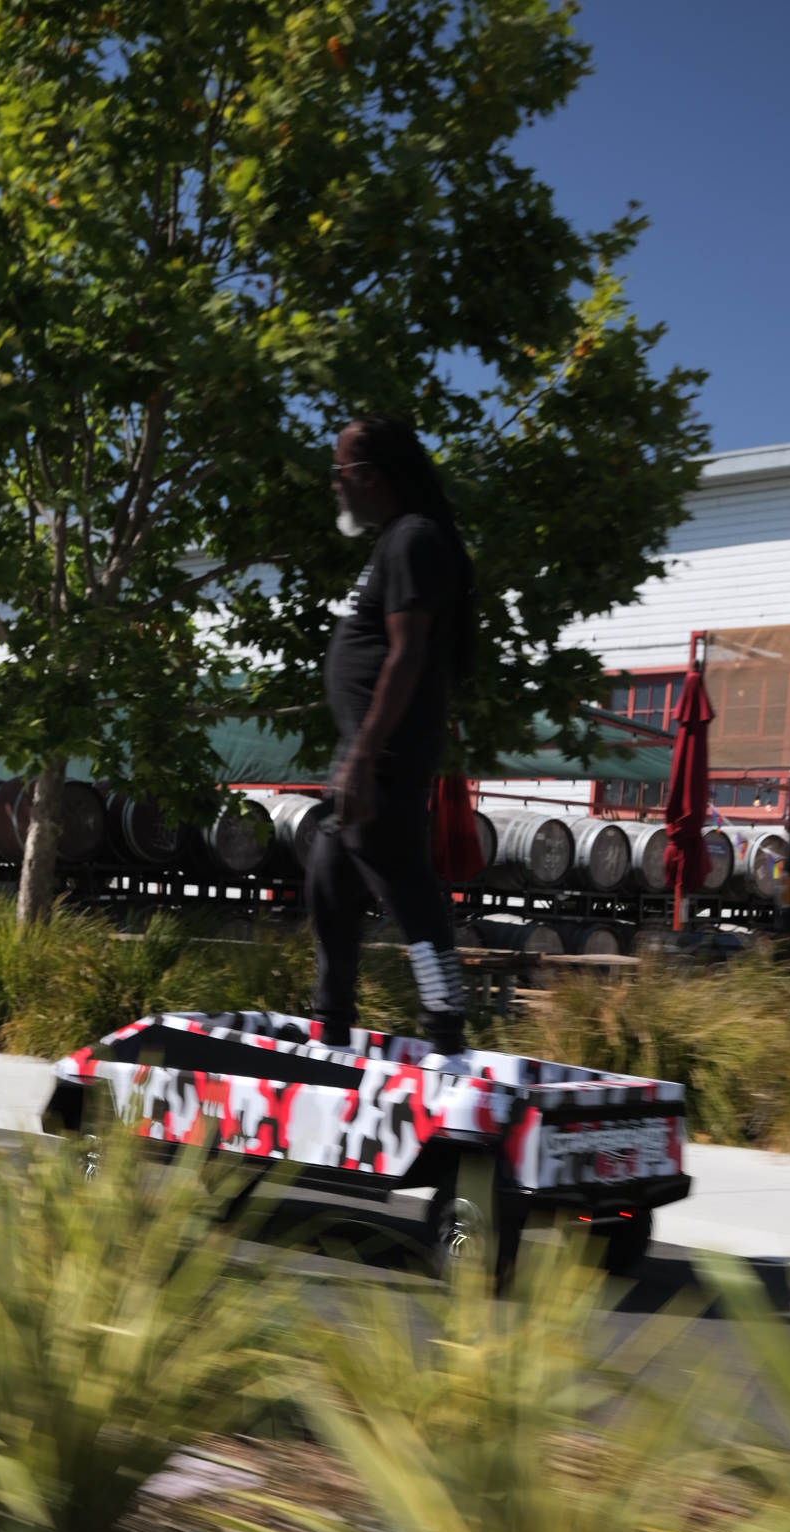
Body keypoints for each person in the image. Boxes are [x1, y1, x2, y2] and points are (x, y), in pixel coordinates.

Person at [308, 414, 475, 1055]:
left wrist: (367, 755)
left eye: (339, 473)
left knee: (403, 883)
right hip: (367, 751)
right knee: (329, 874)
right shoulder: (397, 542)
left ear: (370, 476)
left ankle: (446, 1030)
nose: (336, 486)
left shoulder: (414, 541)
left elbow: (406, 655)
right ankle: (331, 1029)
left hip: (386, 753)